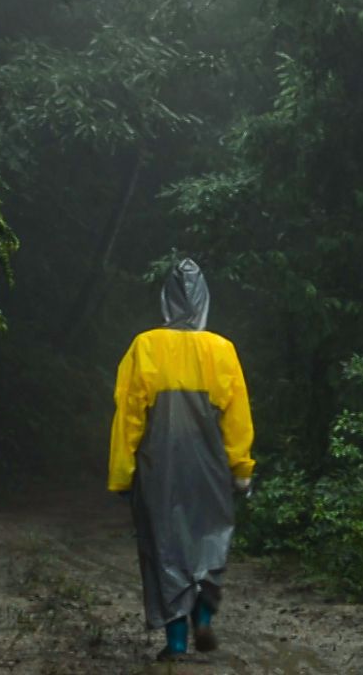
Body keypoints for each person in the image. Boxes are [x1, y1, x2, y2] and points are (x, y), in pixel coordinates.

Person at [108, 258, 255, 661]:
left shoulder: (146, 346)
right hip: (211, 467)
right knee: (207, 545)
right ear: (205, 299)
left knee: (165, 548)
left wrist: (123, 475)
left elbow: (129, 417)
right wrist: (241, 469)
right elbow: (237, 417)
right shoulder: (222, 350)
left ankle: (175, 645)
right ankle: (203, 619)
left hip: (159, 468)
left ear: (166, 299)